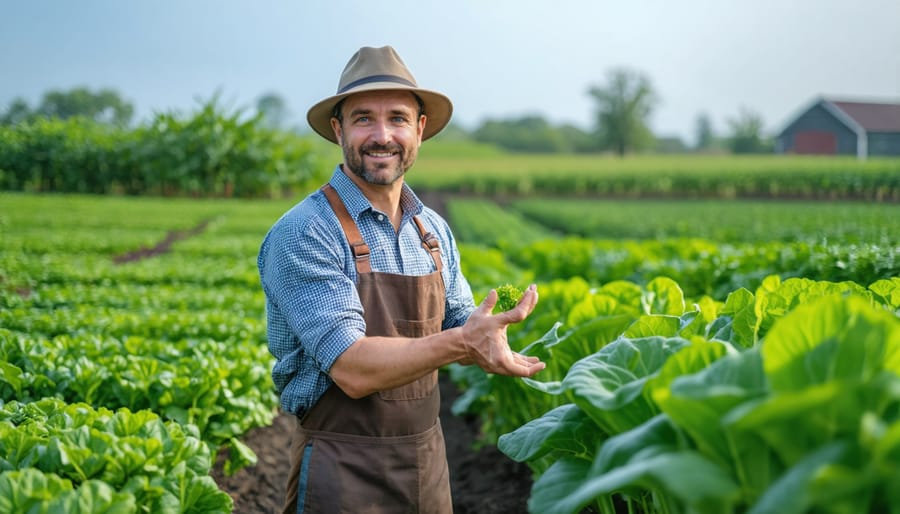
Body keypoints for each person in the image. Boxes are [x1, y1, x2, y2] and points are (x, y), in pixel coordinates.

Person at [257, 45, 545, 514]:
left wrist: (490, 332)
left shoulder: (432, 231)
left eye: (398, 118)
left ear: (420, 129)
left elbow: (458, 321)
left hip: (427, 469)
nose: (382, 135)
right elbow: (351, 367)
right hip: (340, 469)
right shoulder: (305, 231)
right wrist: (464, 341)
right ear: (339, 130)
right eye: (364, 118)